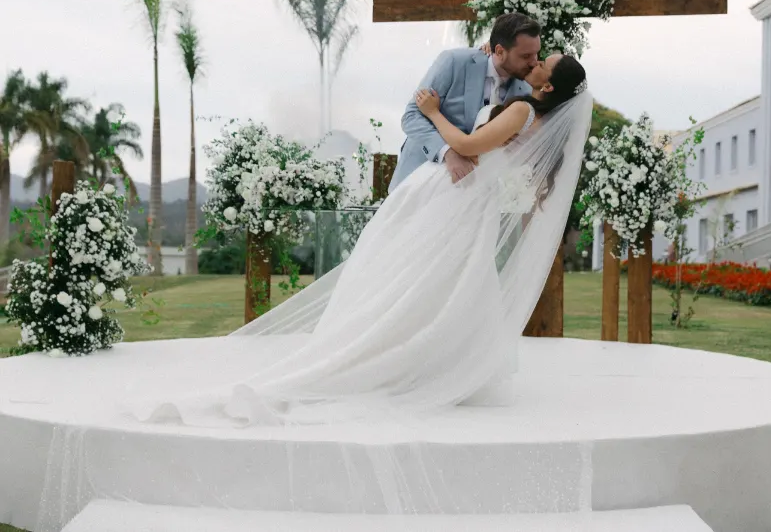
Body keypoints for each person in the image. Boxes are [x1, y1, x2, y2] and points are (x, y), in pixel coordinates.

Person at [135, 49, 591, 428]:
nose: (534, 64)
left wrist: (434, 115)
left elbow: (469, 147)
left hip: (456, 194)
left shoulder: (521, 109)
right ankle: (430, 359)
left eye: (541, 65)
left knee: (406, 276)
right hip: (471, 201)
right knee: (440, 282)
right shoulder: (538, 119)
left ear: (546, 86)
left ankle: (387, 355)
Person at [390, 12, 542, 190]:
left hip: (472, 195)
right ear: (500, 51)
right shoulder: (454, 62)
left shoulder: (526, 90)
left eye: (536, 54)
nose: (534, 62)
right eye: (526, 56)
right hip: (419, 183)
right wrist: (448, 153)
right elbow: (411, 116)